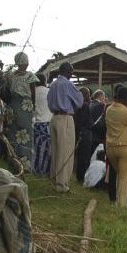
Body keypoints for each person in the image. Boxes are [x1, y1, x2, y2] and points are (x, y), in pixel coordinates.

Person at [47, 62, 83, 192]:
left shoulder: (53, 85)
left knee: (56, 151)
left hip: (54, 117)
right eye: (71, 72)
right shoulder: (68, 84)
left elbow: (49, 102)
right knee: (65, 151)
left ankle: (55, 179)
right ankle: (62, 185)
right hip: (65, 118)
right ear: (68, 72)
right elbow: (79, 101)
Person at [105, 86, 127, 207]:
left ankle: (116, 201)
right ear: (124, 98)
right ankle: (122, 206)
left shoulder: (109, 109)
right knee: (125, 178)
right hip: (125, 147)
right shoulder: (125, 112)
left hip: (110, 148)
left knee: (119, 174)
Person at [7, 52, 38, 164]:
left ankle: (13, 160)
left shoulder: (10, 75)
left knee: (13, 133)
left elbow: (9, 91)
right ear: (25, 62)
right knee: (26, 135)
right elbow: (33, 94)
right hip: (25, 107)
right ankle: (25, 163)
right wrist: (33, 107)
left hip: (12, 106)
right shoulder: (30, 76)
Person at [32, 73, 52, 175]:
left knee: (35, 149)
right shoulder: (50, 92)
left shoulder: (32, 92)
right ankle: (44, 171)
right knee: (46, 151)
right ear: (45, 81)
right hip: (47, 126)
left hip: (35, 125)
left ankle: (34, 169)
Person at [74, 87, 93, 182]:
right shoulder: (85, 106)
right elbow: (85, 121)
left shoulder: (76, 106)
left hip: (79, 133)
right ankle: (82, 178)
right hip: (85, 134)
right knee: (85, 157)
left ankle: (79, 176)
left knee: (80, 156)